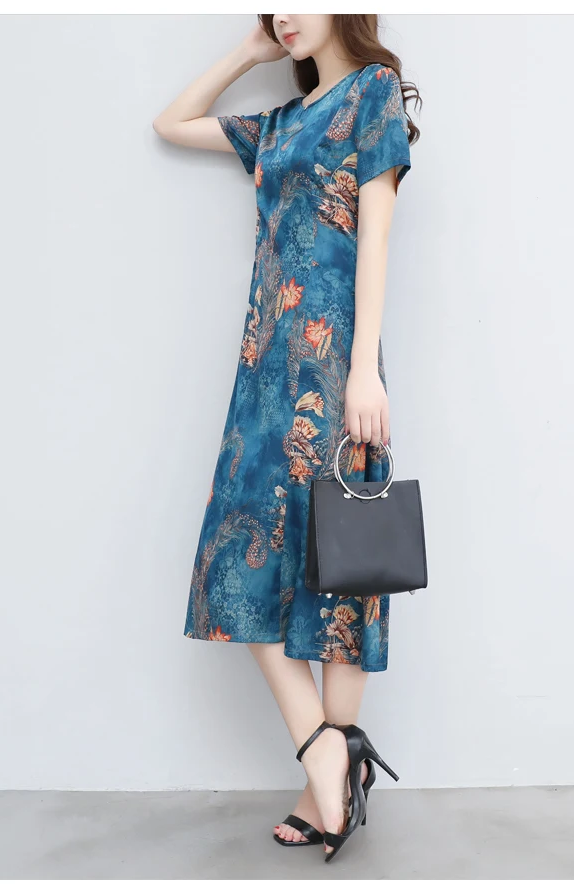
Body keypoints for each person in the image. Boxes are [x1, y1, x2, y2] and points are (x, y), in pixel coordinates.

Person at [153, 13, 420, 863]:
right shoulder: (279, 124)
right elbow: (171, 122)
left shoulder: (372, 93)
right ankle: (330, 753)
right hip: (265, 370)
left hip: (336, 364)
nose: (284, 15)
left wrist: (365, 370)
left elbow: (377, 231)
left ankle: (321, 782)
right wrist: (249, 52)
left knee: (343, 570)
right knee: (240, 569)